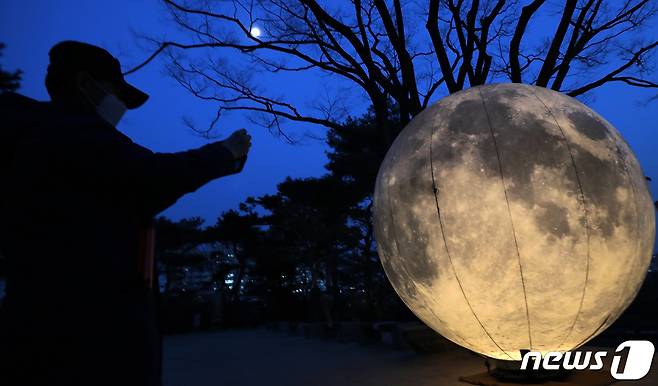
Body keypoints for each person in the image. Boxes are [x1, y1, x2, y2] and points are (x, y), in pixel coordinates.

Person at [0, 41, 251, 386]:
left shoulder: (37, 140)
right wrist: (224, 153)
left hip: (53, 332)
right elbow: (151, 176)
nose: (121, 108)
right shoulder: (70, 136)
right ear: (86, 83)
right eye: (117, 93)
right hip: (85, 342)